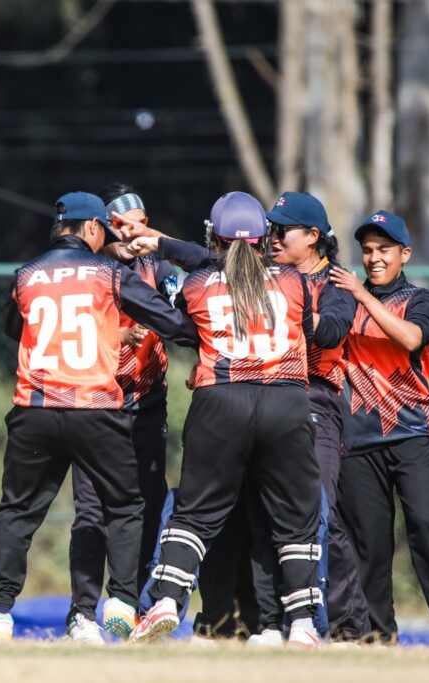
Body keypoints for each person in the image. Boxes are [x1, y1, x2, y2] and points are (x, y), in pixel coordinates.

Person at [0, 191, 197, 643]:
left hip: (34, 408)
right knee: (127, 505)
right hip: (94, 409)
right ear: (93, 228)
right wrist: (200, 335)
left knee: (17, 511)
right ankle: (120, 599)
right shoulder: (110, 272)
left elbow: (13, 328)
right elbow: (168, 322)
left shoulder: (26, 274)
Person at [130, 191, 324, 649]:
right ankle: (301, 625)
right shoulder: (296, 281)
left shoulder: (197, 284)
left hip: (221, 400)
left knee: (195, 514)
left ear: (212, 237)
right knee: (295, 520)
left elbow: (182, 327)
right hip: (285, 399)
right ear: (265, 238)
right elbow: (311, 325)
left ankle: (165, 601)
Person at [329, 210, 429, 651]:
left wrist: (362, 295)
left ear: (404, 254)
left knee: (427, 523)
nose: (374, 258)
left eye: (384, 250)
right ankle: (378, 636)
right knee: (369, 544)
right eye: (368, 250)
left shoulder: (419, 299)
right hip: (358, 439)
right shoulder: (345, 300)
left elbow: (411, 339)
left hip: (414, 432)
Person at [65, 184, 181, 644]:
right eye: (124, 225)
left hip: (148, 402)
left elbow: (189, 304)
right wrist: (115, 334)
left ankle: (133, 605)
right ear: (104, 228)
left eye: (142, 221)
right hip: (97, 401)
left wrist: (162, 241)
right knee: (91, 511)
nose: (135, 232)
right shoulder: (88, 271)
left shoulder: (161, 267)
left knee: (148, 503)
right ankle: (83, 613)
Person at [259, 191, 371, 645]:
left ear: (313, 237)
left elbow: (331, 330)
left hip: (316, 401)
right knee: (268, 511)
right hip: (267, 396)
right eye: (271, 228)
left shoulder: (335, 283)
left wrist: (294, 306)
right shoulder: (272, 275)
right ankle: (278, 618)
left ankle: (334, 624)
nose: (273, 237)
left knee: (319, 510)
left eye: (283, 229)